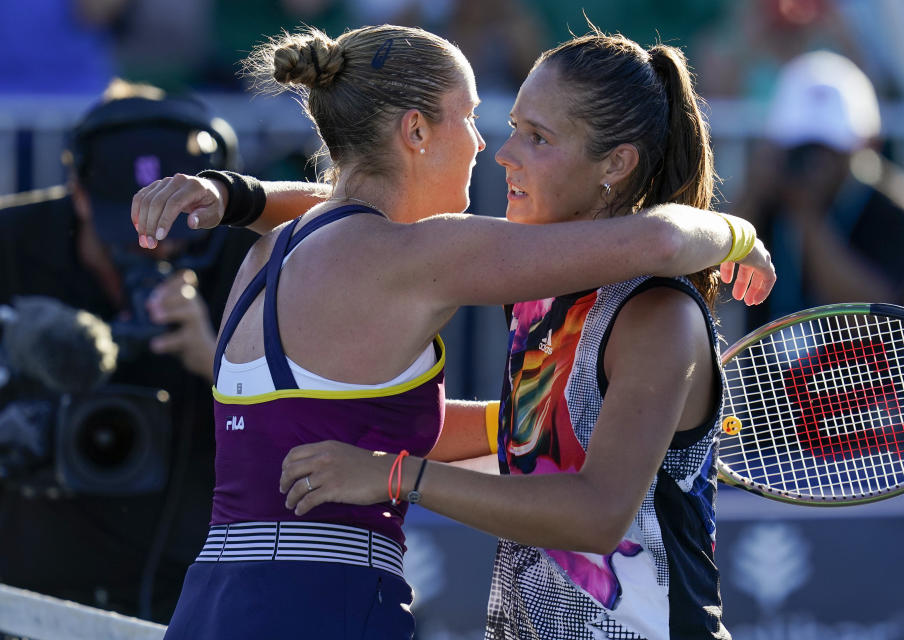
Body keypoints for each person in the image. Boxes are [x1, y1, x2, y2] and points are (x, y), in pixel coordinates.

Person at [130, 25, 773, 639]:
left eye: (536, 137)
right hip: (330, 607)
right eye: (480, 119)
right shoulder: (442, 264)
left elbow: (589, 503)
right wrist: (738, 236)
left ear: (617, 162)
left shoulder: (274, 250)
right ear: (414, 130)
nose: (492, 147)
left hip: (215, 601)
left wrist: (238, 195)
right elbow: (659, 239)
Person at [0, 79, 256, 623]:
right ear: (79, 193)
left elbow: (308, 423)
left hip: (183, 580)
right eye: (130, 225)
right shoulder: (11, 240)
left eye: (174, 225)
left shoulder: (247, 257)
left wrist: (218, 363)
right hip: (24, 569)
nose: (153, 244)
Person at [737, 50, 904, 329]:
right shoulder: (769, 197)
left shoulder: (901, 210)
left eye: (831, 147)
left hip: (871, 372)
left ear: (867, 143)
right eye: (801, 145)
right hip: (781, 372)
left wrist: (807, 218)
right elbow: (718, 282)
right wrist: (751, 197)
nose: (814, 160)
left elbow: (883, 317)